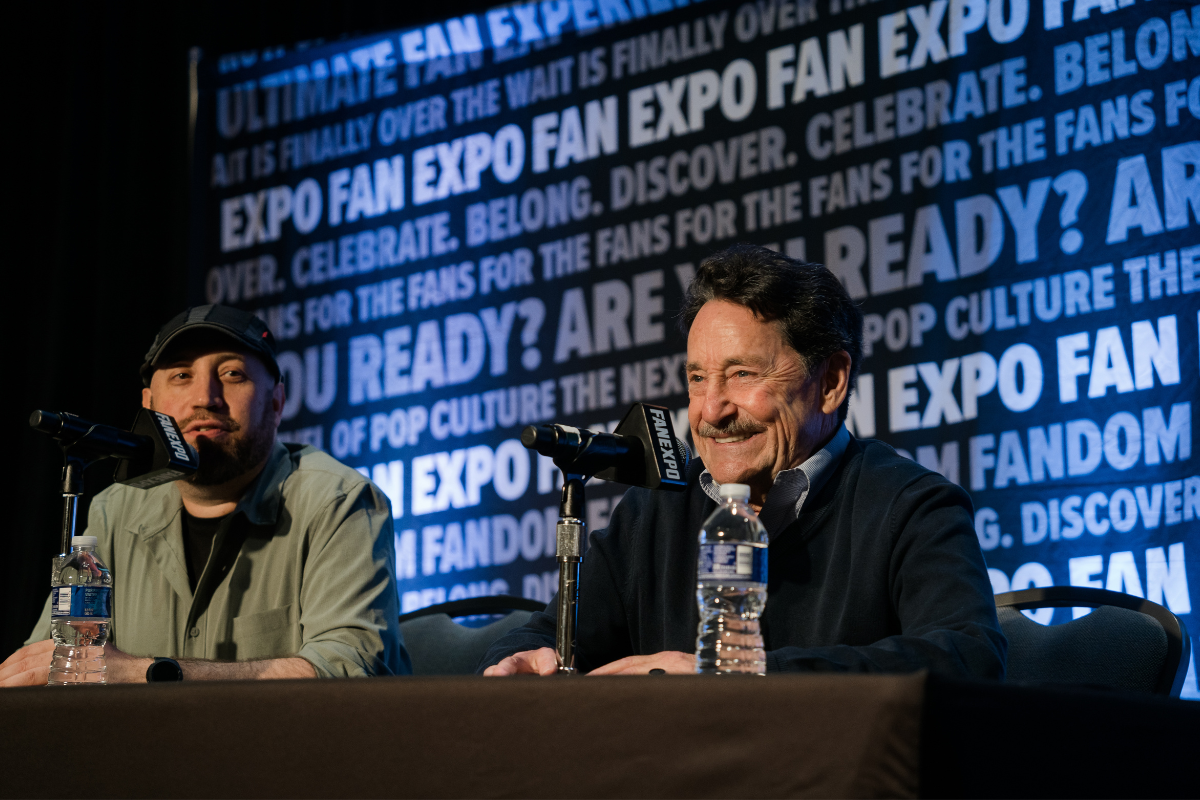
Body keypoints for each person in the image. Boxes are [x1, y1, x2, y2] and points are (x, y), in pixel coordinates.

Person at [482, 244, 1006, 677]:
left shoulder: (910, 504)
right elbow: (545, 636)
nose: (711, 410)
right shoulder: (653, 509)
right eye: (697, 379)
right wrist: (521, 661)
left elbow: (969, 658)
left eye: (742, 375)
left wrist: (742, 676)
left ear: (830, 382)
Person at [1, 305, 408, 685]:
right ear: (150, 404)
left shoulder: (338, 502)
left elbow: (349, 667)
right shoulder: (115, 511)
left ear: (277, 402)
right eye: (181, 376)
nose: (205, 397)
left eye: (233, 375)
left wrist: (145, 672)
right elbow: (49, 660)